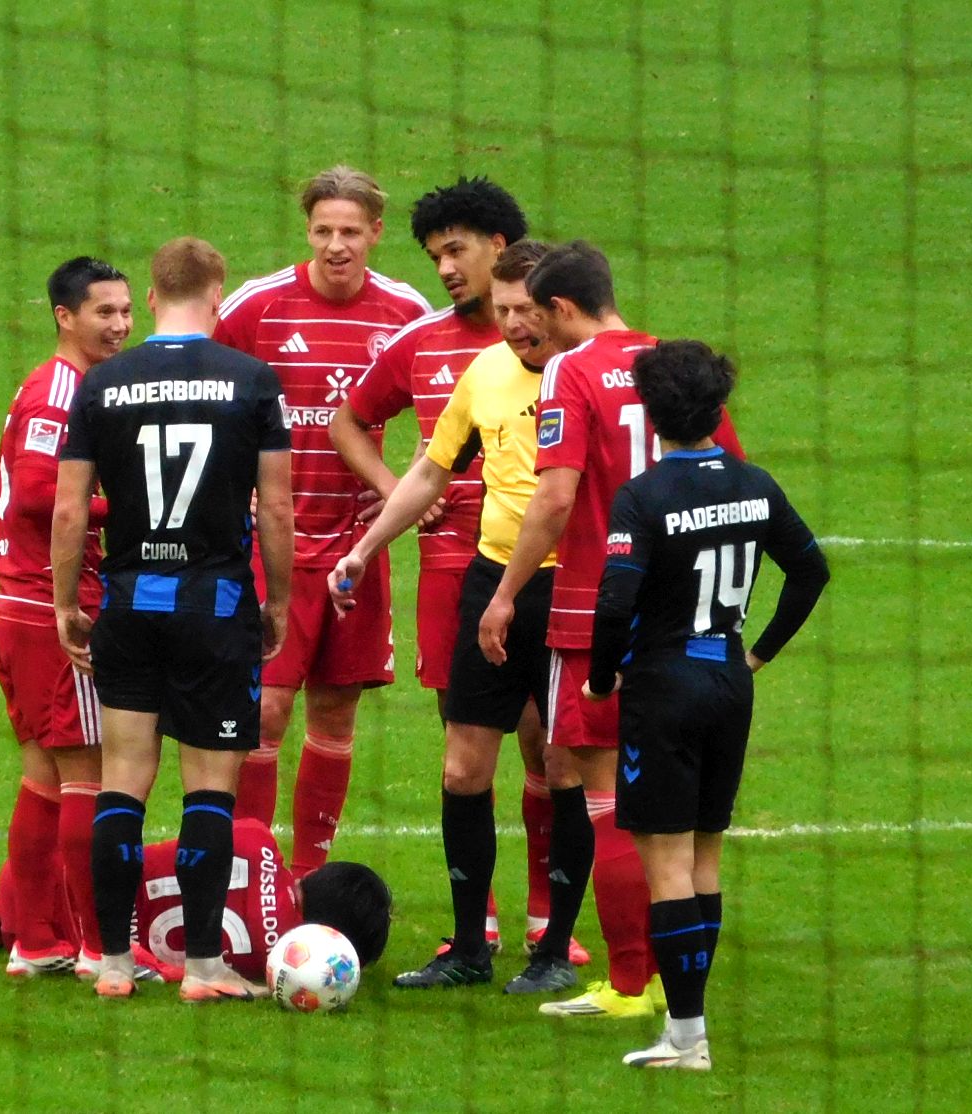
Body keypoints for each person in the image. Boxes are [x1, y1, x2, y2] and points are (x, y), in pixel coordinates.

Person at [479, 241, 746, 1020]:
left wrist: (505, 594)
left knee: (606, 799)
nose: (532, 330)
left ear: (564, 307)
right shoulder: (677, 367)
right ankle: (676, 984)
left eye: (539, 314)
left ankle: (631, 982)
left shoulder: (572, 370)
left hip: (595, 614)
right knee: (684, 816)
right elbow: (728, 478)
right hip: (688, 623)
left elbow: (556, 497)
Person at [332, 178, 582, 962]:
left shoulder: (591, 371)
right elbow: (421, 465)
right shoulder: (469, 364)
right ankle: (474, 941)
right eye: (503, 311)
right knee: (464, 758)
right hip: (476, 578)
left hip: (569, 586)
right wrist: (367, 542)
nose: (512, 324)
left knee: (555, 755)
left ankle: (551, 930)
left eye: (456, 250)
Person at [52, 236, 294, 1003]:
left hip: (129, 608)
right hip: (214, 611)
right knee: (210, 789)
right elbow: (277, 508)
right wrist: (278, 602)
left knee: (122, 781)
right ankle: (202, 966)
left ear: (152, 298)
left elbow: (69, 510)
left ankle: (113, 964)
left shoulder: (102, 382)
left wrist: (66, 603)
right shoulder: (252, 379)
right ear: (218, 296)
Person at [584, 340, 828, 1069]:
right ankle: (688, 1021)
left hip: (664, 689)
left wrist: (600, 678)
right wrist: (757, 654)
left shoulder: (643, 496)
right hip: (728, 681)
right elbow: (811, 571)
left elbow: (614, 602)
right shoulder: (756, 484)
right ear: (719, 410)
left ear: (650, 413)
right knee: (706, 858)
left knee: (667, 865)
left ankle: (687, 1038)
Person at [215, 167, 432, 876]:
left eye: (350, 232)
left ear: (376, 233)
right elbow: (205, 398)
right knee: (265, 713)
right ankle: (253, 872)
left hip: (359, 545)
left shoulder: (406, 311)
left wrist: (405, 489)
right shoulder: (257, 308)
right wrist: (233, 487)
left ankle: (307, 878)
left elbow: (450, 412)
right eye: (323, 230)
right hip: (272, 544)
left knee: (336, 715)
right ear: (307, 231)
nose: (336, 245)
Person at [0, 256, 131, 979]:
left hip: (19, 605)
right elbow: (40, 492)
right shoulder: (61, 390)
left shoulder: (65, 384)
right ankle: (99, 948)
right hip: (51, 606)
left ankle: (36, 941)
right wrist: (130, 505)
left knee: (42, 777)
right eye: (104, 312)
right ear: (64, 317)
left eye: (126, 310)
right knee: (88, 774)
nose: (120, 325)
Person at [0, 820, 394, 982]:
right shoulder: (273, 966)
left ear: (316, 877)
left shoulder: (256, 837)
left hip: (38, 882)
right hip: (90, 951)